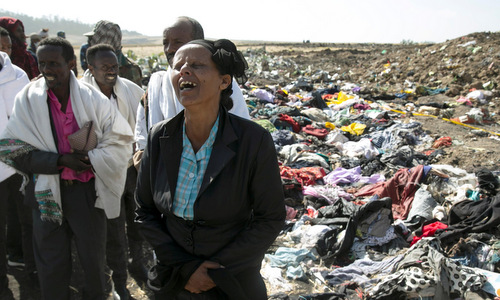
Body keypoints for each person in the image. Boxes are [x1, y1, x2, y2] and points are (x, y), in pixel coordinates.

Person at [135, 39, 285, 299]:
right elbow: (144, 211)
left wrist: (212, 273)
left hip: (232, 281)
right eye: (178, 65)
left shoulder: (253, 140)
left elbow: (269, 218)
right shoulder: (159, 137)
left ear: (224, 81)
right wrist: (186, 268)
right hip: (173, 278)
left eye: (196, 65)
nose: (184, 70)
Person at [0, 37, 134, 300]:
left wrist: (93, 158)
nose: (47, 70)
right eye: (42, 64)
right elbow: (11, 150)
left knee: (94, 265)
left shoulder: (92, 99)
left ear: (71, 64)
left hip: (85, 194)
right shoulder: (28, 99)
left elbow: (121, 139)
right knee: (51, 267)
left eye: (54, 63)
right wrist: (59, 161)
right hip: (46, 194)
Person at [134, 17, 251, 155]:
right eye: (166, 43)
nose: (170, 49)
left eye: (178, 42)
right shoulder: (156, 86)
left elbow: (241, 140)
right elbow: (142, 139)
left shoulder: (222, 85)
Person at [81, 43, 143, 300]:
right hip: (103, 173)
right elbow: (79, 137)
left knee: (138, 222)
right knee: (114, 231)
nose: (111, 72)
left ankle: (137, 264)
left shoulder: (129, 89)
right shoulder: (80, 95)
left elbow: (143, 120)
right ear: (90, 67)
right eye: (104, 67)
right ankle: (120, 283)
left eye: (114, 66)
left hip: (131, 168)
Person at [0, 26, 31, 300]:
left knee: (25, 218)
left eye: (7, 47)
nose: (4, 51)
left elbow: (24, 118)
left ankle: (31, 272)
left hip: (18, 160)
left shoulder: (17, 75)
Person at [85, 20, 142, 86]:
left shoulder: (131, 69)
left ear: (106, 40)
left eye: (94, 38)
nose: (91, 42)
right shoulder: (95, 64)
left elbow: (135, 94)